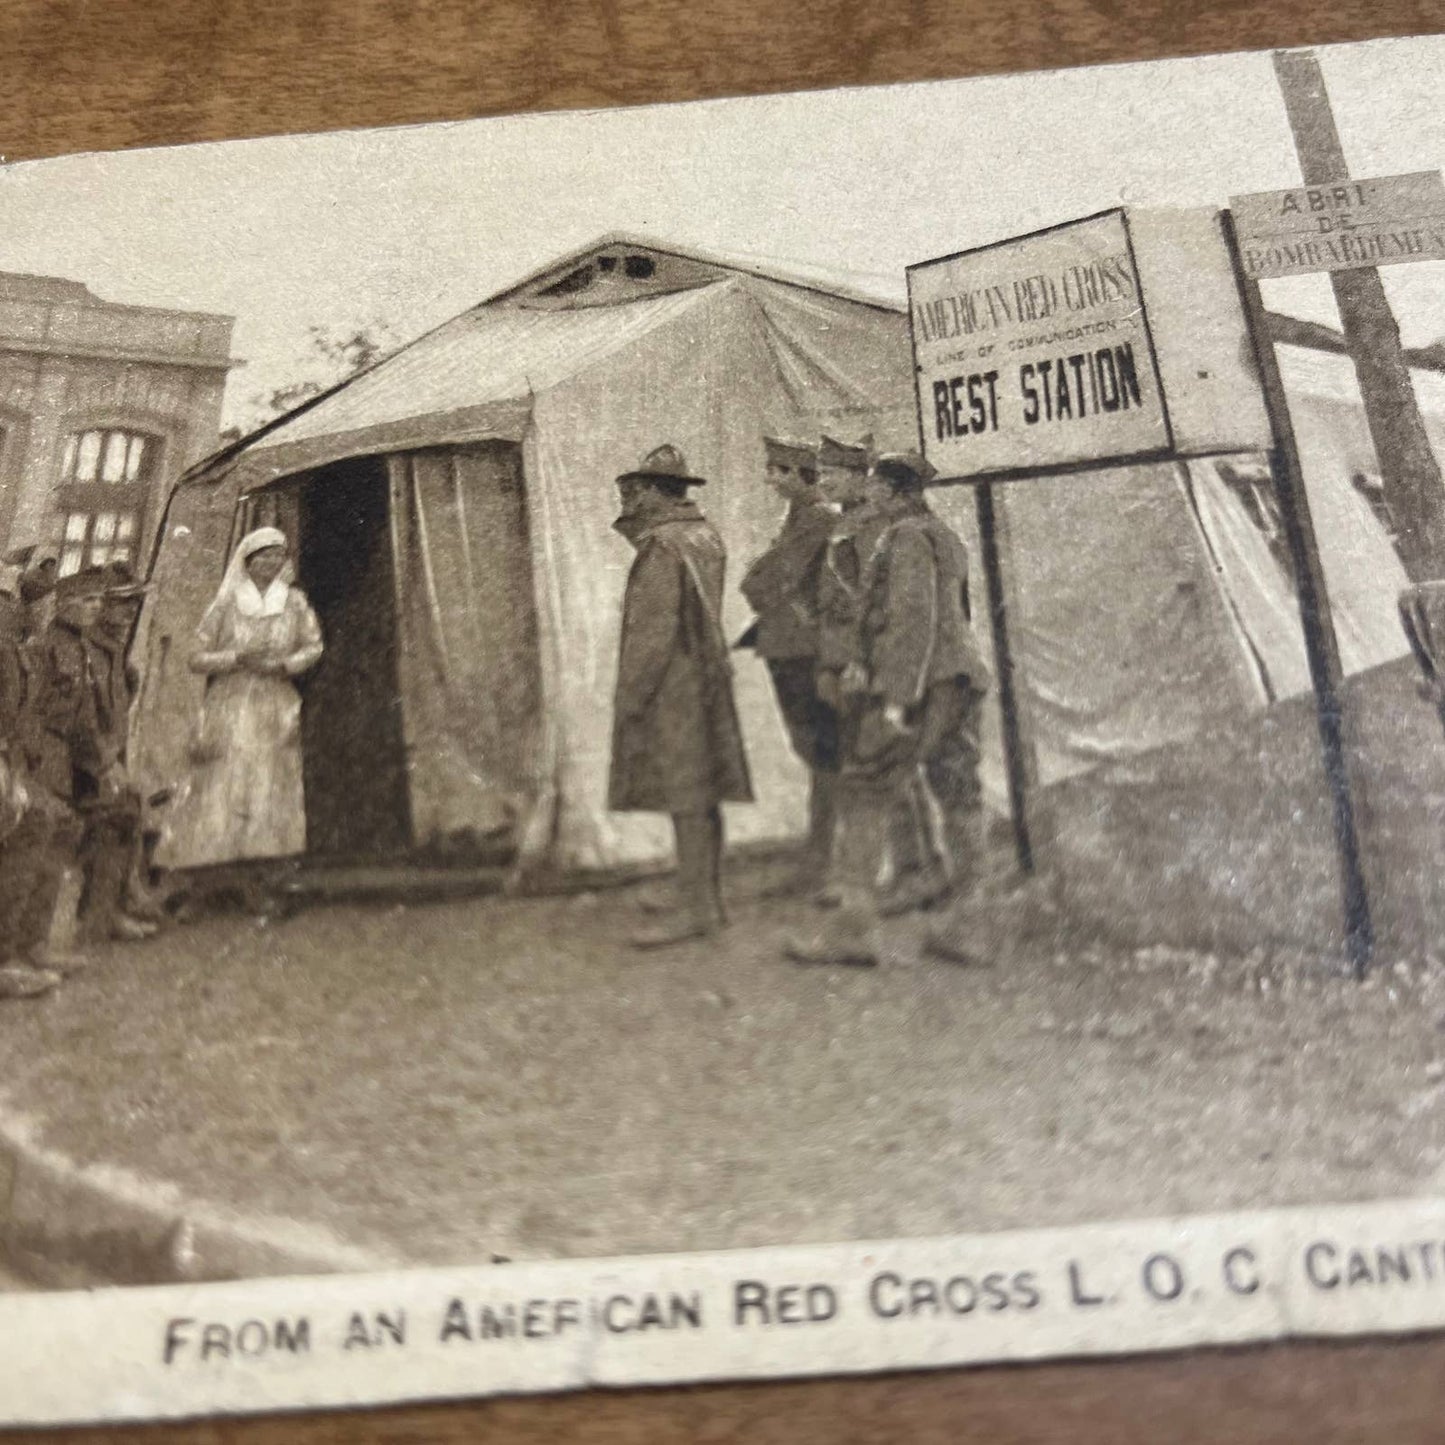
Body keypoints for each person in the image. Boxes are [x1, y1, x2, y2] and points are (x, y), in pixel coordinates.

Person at [788, 451, 990, 965]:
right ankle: (967, 923)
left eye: (878, 485)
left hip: (918, 686)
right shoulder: (943, 535)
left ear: (897, 492)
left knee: (864, 790)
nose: (870, 492)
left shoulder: (905, 539)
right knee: (958, 793)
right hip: (957, 680)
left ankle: (851, 933)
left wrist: (897, 701)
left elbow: (911, 623)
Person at [609, 444, 753, 948]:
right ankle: (703, 899)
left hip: (675, 684)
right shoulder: (703, 535)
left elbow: (651, 632)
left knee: (686, 796)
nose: (626, 497)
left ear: (654, 492)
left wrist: (630, 697)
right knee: (702, 795)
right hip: (706, 676)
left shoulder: (663, 547)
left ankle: (698, 910)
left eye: (635, 488)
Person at [157, 527, 323, 876]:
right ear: (247, 562)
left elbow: (313, 646)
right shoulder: (227, 604)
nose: (270, 563)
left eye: (277, 556)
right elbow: (195, 657)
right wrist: (235, 657)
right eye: (263, 557)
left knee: (270, 780)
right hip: (230, 701)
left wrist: (284, 664)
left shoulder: (294, 602)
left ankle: (264, 869)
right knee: (223, 779)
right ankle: (211, 867)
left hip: (276, 702)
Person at [738, 436, 840, 894]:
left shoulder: (818, 517)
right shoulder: (801, 516)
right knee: (815, 751)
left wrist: (756, 580)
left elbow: (773, 575)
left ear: (804, 476)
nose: (770, 479)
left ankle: (823, 863)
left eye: (778, 471)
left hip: (803, 647)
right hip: (788, 644)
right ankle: (822, 860)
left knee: (822, 751)